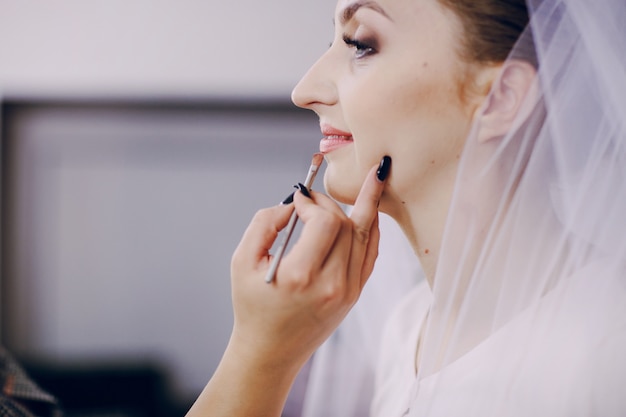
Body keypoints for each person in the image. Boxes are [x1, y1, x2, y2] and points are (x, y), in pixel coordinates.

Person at [187, 0, 626, 415]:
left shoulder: (610, 345)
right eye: (333, 45)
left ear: (501, 97)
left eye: (360, 44)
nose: (304, 92)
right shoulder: (406, 330)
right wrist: (259, 352)